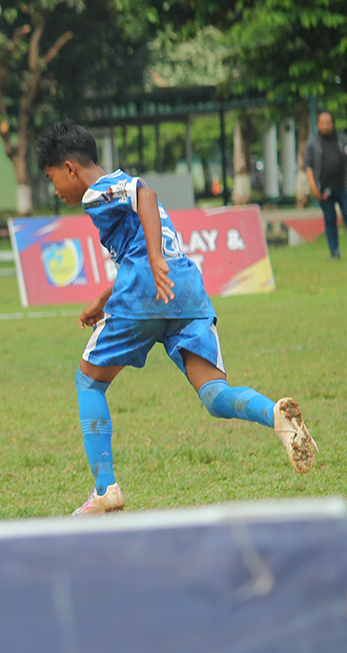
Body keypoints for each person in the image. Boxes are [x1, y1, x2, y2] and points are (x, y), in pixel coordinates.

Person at [35, 120, 318, 517]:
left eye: (52, 179)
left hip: (146, 291)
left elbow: (144, 195)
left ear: (69, 168)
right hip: (185, 290)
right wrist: (104, 296)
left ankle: (105, 489)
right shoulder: (112, 186)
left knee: (89, 382)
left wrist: (152, 260)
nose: (55, 190)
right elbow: (138, 236)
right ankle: (275, 415)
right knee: (215, 396)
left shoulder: (97, 192)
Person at [303, 110, 347, 259]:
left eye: (328, 122)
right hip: (324, 189)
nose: (326, 126)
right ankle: (334, 251)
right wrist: (313, 187)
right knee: (330, 220)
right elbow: (308, 166)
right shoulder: (313, 142)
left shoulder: (342, 140)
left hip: (343, 187)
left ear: (333, 124)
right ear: (318, 125)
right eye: (322, 123)